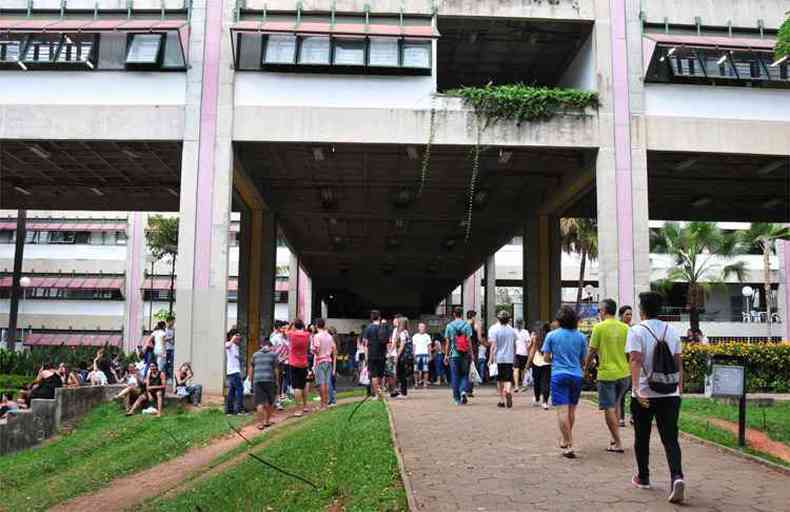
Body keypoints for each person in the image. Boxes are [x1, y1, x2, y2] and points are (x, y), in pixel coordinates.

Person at [627, 291, 685, 504]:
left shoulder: (636, 331)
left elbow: (634, 360)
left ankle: (643, 477)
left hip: (645, 392)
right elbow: (679, 363)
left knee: (642, 436)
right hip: (670, 392)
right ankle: (677, 477)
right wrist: (680, 390)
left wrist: (636, 389)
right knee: (670, 438)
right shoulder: (673, 331)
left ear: (641, 309)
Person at [585, 298, 630, 453]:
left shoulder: (599, 328)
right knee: (616, 405)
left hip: (607, 374)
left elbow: (591, 351)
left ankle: (617, 442)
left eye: (599, 310)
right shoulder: (625, 328)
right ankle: (613, 437)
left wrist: (585, 368)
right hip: (624, 373)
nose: (599, 312)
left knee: (609, 408)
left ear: (604, 311)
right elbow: (630, 352)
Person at [542, 306, 587, 458]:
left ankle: (569, 443)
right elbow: (583, 360)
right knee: (571, 411)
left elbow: (546, 358)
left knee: (562, 411)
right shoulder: (581, 337)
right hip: (576, 375)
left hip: (558, 375)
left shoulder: (551, 335)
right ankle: (566, 439)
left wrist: (557, 360)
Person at [444, 306, 473, 406]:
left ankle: (457, 399)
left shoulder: (449, 326)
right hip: (465, 354)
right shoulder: (467, 325)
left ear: (454, 314)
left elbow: (447, 342)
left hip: (453, 354)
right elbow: (469, 342)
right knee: (465, 374)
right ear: (462, 314)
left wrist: (446, 355)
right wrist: (471, 354)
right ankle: (463, 391)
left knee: (455, 376)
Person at [488, 310, 518, 408]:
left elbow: (493, 346)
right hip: (509, 358)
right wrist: (514, 357)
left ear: (499, 319)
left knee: (500, 380)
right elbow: (514, 345)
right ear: (508, 320)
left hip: (498, 358)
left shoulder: (494, 329)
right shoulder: (512, 330)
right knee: (508, 379)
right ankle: (508, 391)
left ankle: (501, 400)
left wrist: (490, 358)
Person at [249, 338, 279, 429]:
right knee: (270, 401)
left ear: (261, 345)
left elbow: (251, 368)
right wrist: (277, 381)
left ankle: (260, 424)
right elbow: (276, 369)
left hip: (257, 380)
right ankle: (267, 421)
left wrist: (251, 380)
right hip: (269, 380)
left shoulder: (255, 355)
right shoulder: (273, 355)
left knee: (259, 402)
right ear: (270, 346)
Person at [288, 319, 311, 416]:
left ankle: (298, 409)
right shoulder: (307, 335)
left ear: (294, 325)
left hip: (294, 363)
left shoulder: (291, 334)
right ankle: (305, 406)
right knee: (304, 384)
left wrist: (291, 325)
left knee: (297, 386)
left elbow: (287, 331)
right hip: (304, 362)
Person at [363, 310, 388, 400]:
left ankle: (377, 394)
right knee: (380, 374)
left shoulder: (368, 328)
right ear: (379, 317)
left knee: (373, 375)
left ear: (371, 317)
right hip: (382, 354)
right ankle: (380, 390)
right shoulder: (383, 327)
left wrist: (366, 357)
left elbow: (365, 343)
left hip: (372, 354)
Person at [311, 318, 336, 410]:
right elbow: (333, 348)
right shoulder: (329, 336)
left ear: (317, 325)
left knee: (321, 383)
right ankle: (325, 403)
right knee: (326, 382)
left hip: (320, 361)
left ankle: (323, 404)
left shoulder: (317, 336)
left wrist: (313, 351)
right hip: (328, 360)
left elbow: (316, 349)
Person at [528, 322, 552, 409]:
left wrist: (528, 364)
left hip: (536, 362)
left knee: (537, 381)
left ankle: (537, 397)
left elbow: (532, 351)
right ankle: (545, 402)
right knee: (546, 382)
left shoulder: (536, 337)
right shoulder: (550, 337)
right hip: (547, 362)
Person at [618, 305, 633, 426]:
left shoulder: (633, 329)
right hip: (621, 364)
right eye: (627, 314)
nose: (629, 317)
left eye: (630, 314)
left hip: (632, 364)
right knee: (621, 392)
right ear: (620, 315)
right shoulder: (618, 329)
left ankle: (633, 416)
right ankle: (621, 417)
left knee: (634, 390)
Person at [224, 327, 244, 416]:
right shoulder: (229, 344)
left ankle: (229, 411)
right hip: (233, 372)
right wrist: (233, 338)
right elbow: (227, 346)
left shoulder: (236, 346)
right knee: (240, 389)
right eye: (237, 337)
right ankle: (238, 410)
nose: (239, 339)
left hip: (235, 371)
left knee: (231, 391)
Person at [465, 310, 485, 397]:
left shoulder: (463, 324)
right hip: (473, 348)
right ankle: (469, 390)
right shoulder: (476, 325)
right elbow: (480, 339)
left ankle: (463, 388)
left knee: (464, 369)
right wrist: (487, 344)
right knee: (472, 368)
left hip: (463, 349)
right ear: (473, 317)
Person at [395, 317, 413, 398]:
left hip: (402, 356)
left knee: (401, 374)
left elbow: (402, 345)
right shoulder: (407, 332)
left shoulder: (402, 333)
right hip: (407, 356)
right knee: (403, 374)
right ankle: (403, 391)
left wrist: (397, 355)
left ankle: (403, 393)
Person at [412, 322, 432, 388]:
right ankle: (416, 384)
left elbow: (429, 347)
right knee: (415, 370)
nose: (422, 328)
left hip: (425, 354)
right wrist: (413, 355)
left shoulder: (427, 336)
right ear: (418, 328)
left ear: (425, 328)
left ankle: (425, 383)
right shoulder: (415, 336)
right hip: (417, 354)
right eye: (420, 327)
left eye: (423, 327)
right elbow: (413, 347)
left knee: (426, 370)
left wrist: (430, 355)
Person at [514, 319, 531, 392]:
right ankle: (523, 385)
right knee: (522, 370)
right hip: (524, 354)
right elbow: (528, 345)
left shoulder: (513, 331)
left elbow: (512, 343)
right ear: (523, 324)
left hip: (516, 353)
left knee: (516, 369)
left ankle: (516, 386)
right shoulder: (526, 332)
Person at [386, 316, 400, 397]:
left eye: (395, 320)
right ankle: (393, 389)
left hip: (393, 354)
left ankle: (394, 389)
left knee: (392, 373)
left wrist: (390, 352)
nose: (394, 321)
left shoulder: (397, 331)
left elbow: (394, 342)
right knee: (391, 373)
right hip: (393, 354)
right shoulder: (395, 330)